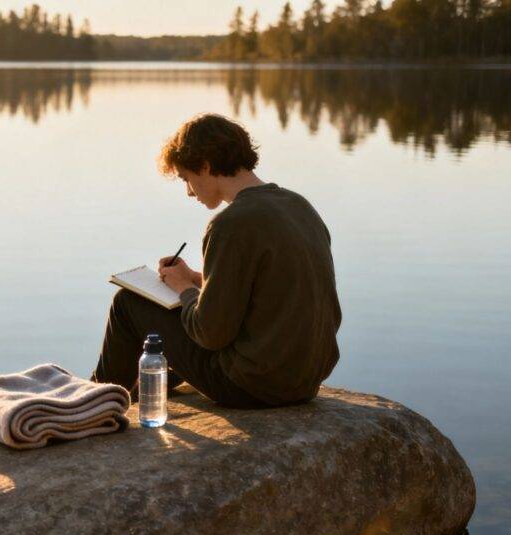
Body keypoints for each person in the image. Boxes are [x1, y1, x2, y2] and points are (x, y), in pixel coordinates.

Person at [90, 113, 342, 408]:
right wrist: (199, 280)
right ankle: (135, 389)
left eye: (187, 178)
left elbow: (210, 334)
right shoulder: (299, 206)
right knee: (169, 347)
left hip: (252, 386)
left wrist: (185, 290)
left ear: (205, 166)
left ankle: (94, 405)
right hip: (304, 380)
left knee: (127, 303)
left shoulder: (230, 224)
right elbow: (270, 288)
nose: (188, 191)